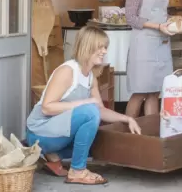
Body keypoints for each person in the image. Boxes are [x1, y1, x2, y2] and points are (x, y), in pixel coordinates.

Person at [26, 26, 142, 185]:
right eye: (100, 47)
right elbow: (47, 107)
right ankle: (77, 171)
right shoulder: (68, 71)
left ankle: (55, 156)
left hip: (59, 132)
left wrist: (127, 119)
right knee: (90, 111)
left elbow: (100, 110)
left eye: (105, 47)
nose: (104, 51)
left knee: (100, 136)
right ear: (87, 47)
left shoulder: (90, 77)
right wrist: (84, 103)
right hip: (40, 133)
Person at [124, 0, 174, 118]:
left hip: (161, 43)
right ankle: (128, 134)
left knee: (155, 92)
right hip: (143, 44)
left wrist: (173, 22)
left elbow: (161, 13)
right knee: (140, 92)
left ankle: (150, 134)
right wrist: (158, 26)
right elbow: (130, 17)